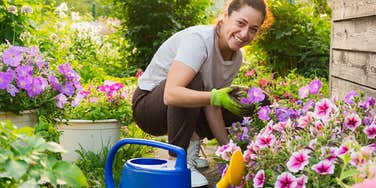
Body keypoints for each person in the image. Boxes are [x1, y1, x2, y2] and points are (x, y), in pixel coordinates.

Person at [132, 0, 270, 187]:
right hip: (149, 108)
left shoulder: (236, 57)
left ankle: (192, 149)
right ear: (226, 16)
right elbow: (171, 94)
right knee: (193, 82)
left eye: (253, 29)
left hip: (179, 107)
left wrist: (229, 151)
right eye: (240, 23)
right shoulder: (199, 40)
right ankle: (179, 163)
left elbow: (211, 104)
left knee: (249, 101)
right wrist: (214, 96)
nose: (245, 34)